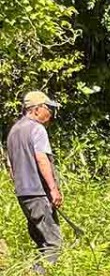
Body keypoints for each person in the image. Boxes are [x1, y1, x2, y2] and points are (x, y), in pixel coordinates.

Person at [6, 90, 63, 265]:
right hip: (38, 194)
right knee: (54, 243)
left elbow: (10, 165)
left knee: (41, 242)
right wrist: (53, 189)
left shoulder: (14, 131)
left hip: (23, 195)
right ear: (36, 109)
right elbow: (41, 158)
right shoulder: (37, 129)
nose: (51, 113)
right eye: (48, 108)